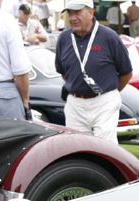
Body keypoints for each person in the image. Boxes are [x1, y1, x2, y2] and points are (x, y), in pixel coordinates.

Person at [54, 0, 132, 142]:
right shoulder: (64, 38)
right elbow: (64, 72)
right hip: (75, 104)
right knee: (76, 147)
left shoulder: (109, 36)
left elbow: (126, 72)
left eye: (77, 13)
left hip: (104, 102)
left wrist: (107, 92)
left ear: (90, 12)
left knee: (105, 147)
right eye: (70, 14)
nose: (73, 18)